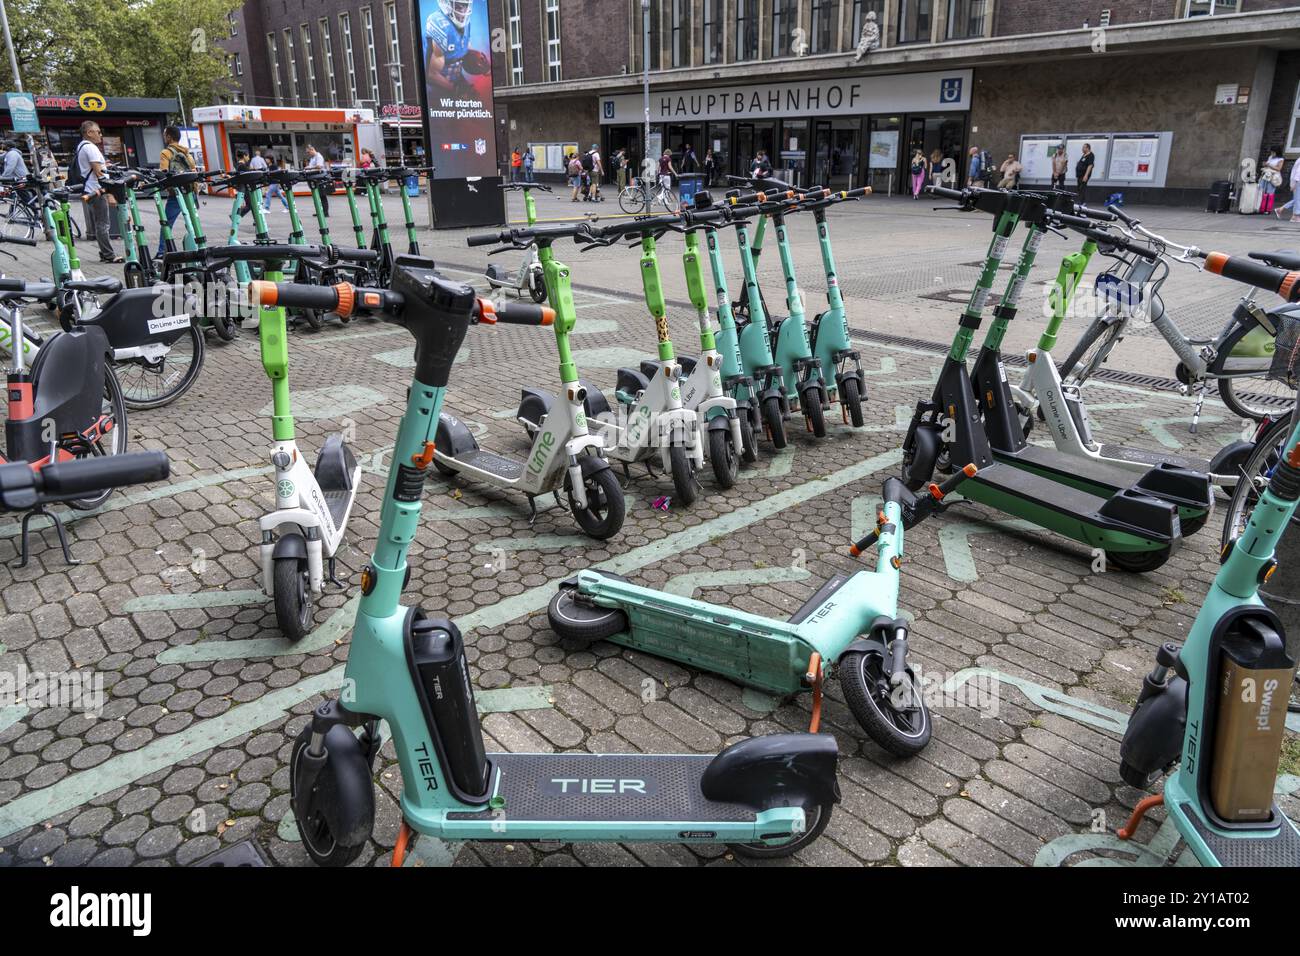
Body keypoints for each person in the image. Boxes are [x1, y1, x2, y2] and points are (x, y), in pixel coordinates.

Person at [72, 120, 119, 263]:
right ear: (89, 133)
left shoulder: (82, 146)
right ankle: (108, 255)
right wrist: (110, 193)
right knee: (103, 224)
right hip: (96, 190)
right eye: (98, 131)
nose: (100, 134)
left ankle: (105, 253)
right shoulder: (90, 148)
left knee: (101, 223)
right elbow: (99, 173)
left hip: (91, 189)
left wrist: (105, 164)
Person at [424, 0, 490, 97]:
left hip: (456, 78)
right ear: (446, 4)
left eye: (465, 6)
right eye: (459, 6)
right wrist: (457, 90)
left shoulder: (466, 23)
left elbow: (464, 46)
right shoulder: (439, 23)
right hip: (436, 88)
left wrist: (481, 62)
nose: (464, 11)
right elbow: (432, 74)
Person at [156, 125, 198, 256]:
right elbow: (194, 172)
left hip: (176, 194)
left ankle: (162, 252)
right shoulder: (187, 153)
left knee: (166, 224)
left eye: (164, 135)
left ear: (169, 137)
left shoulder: (166, 153)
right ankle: (198, 247)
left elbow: (163, 173)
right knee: (193, 222)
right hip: (190, 192)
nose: (164, 137)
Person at [305, 143, 329, 216]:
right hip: (315, 178)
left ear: (312, 149)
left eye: (308, 152)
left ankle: (325, 213)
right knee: (317, 196)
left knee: (322, 196)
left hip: (320, 178)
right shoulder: (313, 157)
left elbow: (319, 166)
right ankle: (319, 211)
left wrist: (310, 168)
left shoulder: (318, 156)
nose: (308, 154)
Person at [1275, 155, 1300, 221]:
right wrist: (1293, 184)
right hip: (1298, 181)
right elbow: (1298, 172)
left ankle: (1281, 209)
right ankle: (1295, 216)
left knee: (1297, 199)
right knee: (1298, 199)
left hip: (1297, 181)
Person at [1261, 146, 1284, 215]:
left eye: (1273, 152)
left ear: (1277, 152)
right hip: (1266, 175)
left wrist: (1269, 165)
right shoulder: (1270, 157)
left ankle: (1267, 209)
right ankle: (1262, 208)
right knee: (1263, 191)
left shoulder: (1280, 159)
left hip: (1273, 177)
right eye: (1271, 152)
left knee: (1270, 192)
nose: (1272, 153)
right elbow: (1267, 165)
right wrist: (1265, 165)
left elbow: (1279, 168)